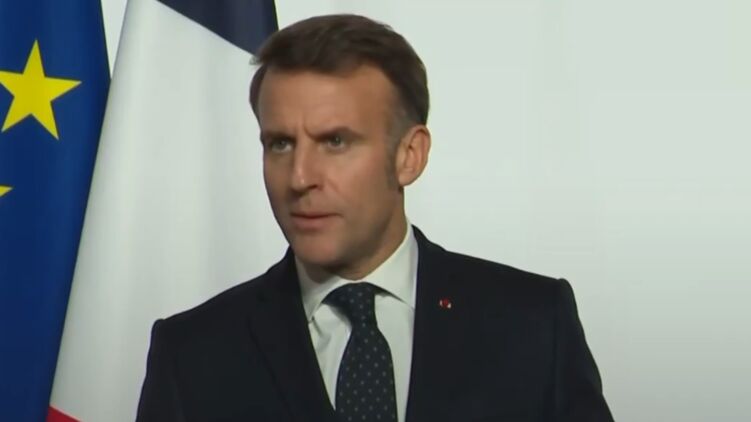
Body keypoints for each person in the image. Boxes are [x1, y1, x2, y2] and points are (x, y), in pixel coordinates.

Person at [136, 14, 614, 422]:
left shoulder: (533, 326)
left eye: (335, 141)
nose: (299, 177)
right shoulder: (192, 355)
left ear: (409, 156)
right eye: (280, 143)